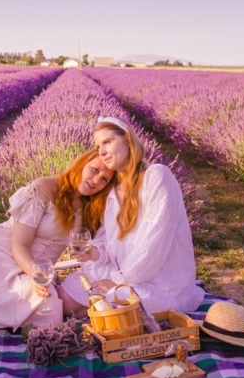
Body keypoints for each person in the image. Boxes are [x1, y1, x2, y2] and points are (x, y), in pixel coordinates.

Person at [0, 149, 115, 330]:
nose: (96, 179)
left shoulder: (90, 208)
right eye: (95, 170)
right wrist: (36, 276)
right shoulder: (46, 187)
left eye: (104, 179)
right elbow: (20, 244)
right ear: (82, 164)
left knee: (49, 309)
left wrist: (90, 254)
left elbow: (100, 243)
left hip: (31, 268)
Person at [59, 116, 204, 315]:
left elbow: (155, 245)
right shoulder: (113, 194)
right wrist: (94, 253)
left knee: (109, 306)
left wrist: (118, 283)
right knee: (66, 297)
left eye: (107, 142)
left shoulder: (156, 176)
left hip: (160, 281)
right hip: (125, 273)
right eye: (98, 145)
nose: (101, 151)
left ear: (127, 140)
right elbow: (108, 239)